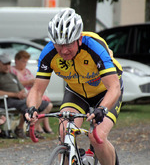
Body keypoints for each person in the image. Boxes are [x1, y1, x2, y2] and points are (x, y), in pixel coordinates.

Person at [25, 8, 123, 165]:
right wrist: (32, 109)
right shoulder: (49, 53)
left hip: (105, 92)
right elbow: (37, 90)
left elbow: (114, 87)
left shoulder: (95, 46)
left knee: (97, 137)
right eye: (59, 45)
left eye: (69, 44)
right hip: (76, 92)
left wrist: (102, 108)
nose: (64, 51)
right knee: (65, 133)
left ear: (79, 39)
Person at [0, 54, 53, 139]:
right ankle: (20, 128)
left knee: (47, 105)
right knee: (28, 106)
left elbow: (22, 89)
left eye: (9, 64)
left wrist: (23, 94)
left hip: (19, 99)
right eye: (5, 64)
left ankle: (33, 130)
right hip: (6, 101)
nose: (7, 66)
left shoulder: (12, 75)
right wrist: (15, 95)